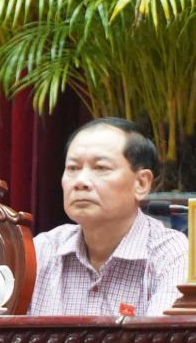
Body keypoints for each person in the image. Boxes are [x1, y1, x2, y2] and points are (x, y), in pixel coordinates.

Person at [29, 117, 188, 316]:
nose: (81, 182)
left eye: (100, 168)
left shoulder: (170, 255)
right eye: (73, 168)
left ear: (141, 183)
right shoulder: (42, 251)